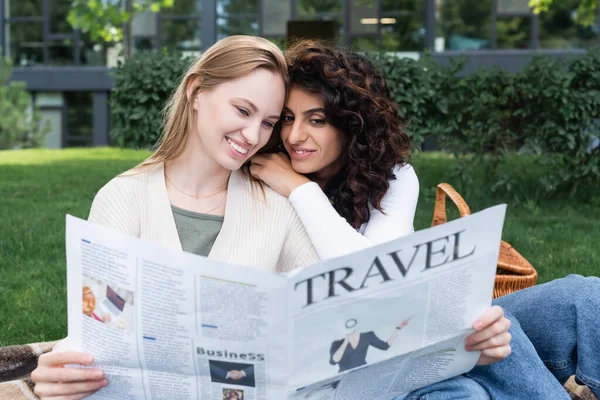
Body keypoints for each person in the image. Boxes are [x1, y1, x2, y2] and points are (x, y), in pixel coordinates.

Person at [250, 40, 600, 399]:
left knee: (584, 297)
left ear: (350, 125)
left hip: (416, 330)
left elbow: (376, 270)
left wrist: (298, 188)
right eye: (288, 118)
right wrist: (299, 189)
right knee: (483, 325)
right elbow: (368, 283)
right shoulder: (266, 180)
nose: (294, 136)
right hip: (357, 359)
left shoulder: (393, 176)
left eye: (317, 120)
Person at [30, 35, 319, 400]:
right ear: (197, 92)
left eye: (268, 123)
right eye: (243, 111)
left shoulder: (276, 207)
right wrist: (60, 369)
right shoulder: (123, 198)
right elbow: (98, 326)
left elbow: (319, 317)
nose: (252, 136)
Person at [330, 318, 410, 372]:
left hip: (363, 372)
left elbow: (385, 346)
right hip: (346, 377)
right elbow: (334, 361)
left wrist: (398, 328)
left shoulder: (367, 336)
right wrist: (346, 341)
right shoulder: (337, 343)